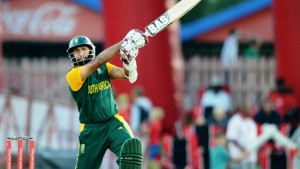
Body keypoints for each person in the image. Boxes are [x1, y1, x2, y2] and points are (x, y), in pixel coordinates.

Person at [65, 29, 149, 169]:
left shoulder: (104, 68)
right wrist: (125, 42)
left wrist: (130, 62)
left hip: (113, 123)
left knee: (130, 153)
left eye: (83, 49)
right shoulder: (73, 75)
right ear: (72, 55)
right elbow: (98, 61)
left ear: (90, 50)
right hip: (91, 130)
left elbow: (125, 75)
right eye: (76, 51)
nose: (80, 53)